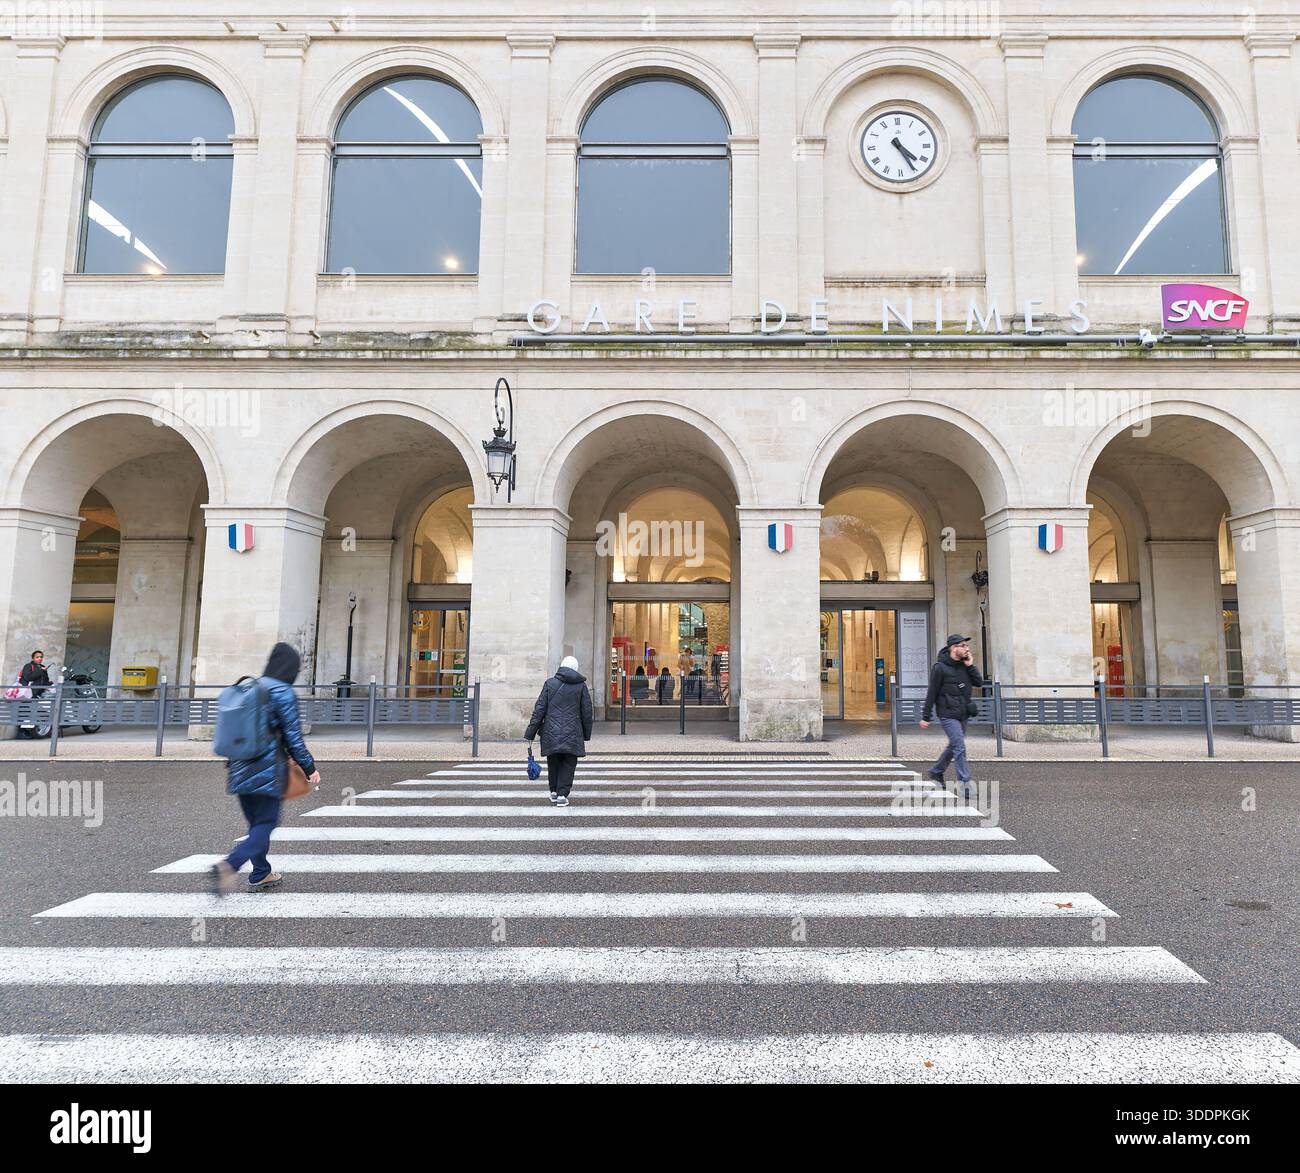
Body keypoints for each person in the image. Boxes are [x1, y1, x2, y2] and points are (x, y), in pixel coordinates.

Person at [210, 642, 318, 895]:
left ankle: (260, 873)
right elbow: (293, 737)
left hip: (238, 766)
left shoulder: (249, 687)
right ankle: (229, 865)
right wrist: (309, 767)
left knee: (256, 826)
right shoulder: (283, 692)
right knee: (267, 822)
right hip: (268, 770)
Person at [919, 633, 983, 799]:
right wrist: (926, 716)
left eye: (966, 646)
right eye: (963, 646)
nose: (967, 649)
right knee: (959, 746)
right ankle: (965, 784)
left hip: (963, 713)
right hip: (947, 714)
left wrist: (971, 666)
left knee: (954, 746)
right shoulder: (939, 668)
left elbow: (979, 682)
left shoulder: (964, 665)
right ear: (954, 648)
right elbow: (931, 692)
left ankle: (936, 771)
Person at [524, 654, 593, 807]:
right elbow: (587, 712)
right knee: (568, 762)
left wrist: (531, 731)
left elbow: (539, 709)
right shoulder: (581, 686)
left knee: (553, 761)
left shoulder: (550, 684)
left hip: (550, 731)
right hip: (573, 732)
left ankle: (554, 791)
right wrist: (586, 734)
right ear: (575, 669)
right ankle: (562, 794)